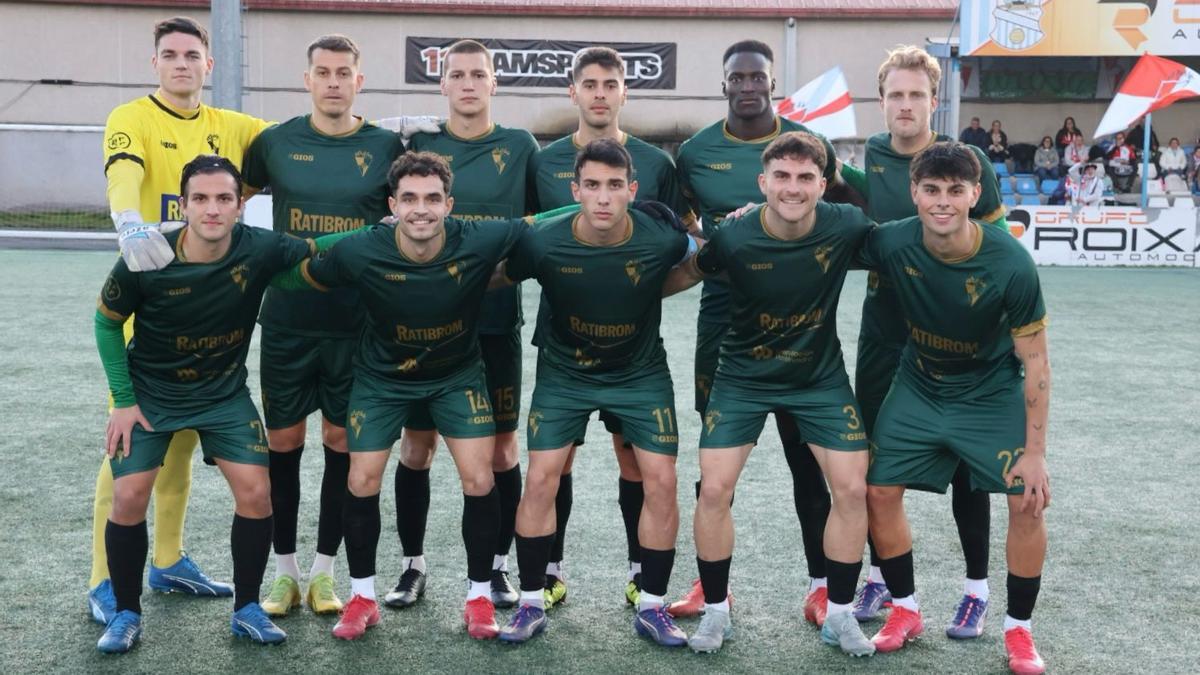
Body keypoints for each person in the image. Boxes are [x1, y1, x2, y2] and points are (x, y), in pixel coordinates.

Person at [272, 151, 539, 642]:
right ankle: (363, 598)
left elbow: (541, 225)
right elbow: (298, 274)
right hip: (381, 379)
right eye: (410, 198)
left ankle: (479, 597)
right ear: (392, 205)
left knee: (480, 477)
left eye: (432, 198)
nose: (421, 209)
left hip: (457, 376)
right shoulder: (360, 249)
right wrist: (237, 262)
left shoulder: (480, 237)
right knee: (361, 477)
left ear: (449, 205)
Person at [92, 155, 337, 653]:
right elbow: (106, 322)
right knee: (129, 497)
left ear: (239, 205)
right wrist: (123, 400)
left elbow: (320, 247)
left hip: (223, 394)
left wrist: (385, 231)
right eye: (200, 199)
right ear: (182, 205)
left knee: (256, 492)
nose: (212, 209)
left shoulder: (259, 247)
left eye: (224, 198)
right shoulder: (148, 254)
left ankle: (246, 609)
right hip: (152, 395)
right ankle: (125, 613)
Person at [90, 15, 275, 625]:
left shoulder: (236, 126)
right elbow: (125, 173)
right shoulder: (131, 117)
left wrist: (387, 131)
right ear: (155, 64)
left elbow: (305, 141)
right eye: (170, 55)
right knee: (127, 449)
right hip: (151, 308)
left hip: (208, 306)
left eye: (192, 55)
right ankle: (103, 581)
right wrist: (128, 222)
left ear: (208, 65)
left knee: (184, 447)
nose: (181, 64)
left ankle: (167, 560)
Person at [664, 132, 875, 656]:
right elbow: (687, 273)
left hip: (818, 379)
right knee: (714, 489)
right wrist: (626, 292)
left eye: (805, 178)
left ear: (822, 185)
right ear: (763, 182)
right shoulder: (734, 235)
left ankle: (840, 615)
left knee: (852, 489)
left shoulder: (846, 224)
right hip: (743, 377)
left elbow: (902, 237)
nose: (793, 188)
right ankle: (716, 611)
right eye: (782, 176)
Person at [668, 38, 844, 624]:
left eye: (757, 77)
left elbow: (842, 204)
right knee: (716, 465)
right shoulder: (696, 151)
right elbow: (683, 218)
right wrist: (712, 238)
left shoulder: (807, 144)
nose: (748, 86)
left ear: (773, 84)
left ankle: (822, 584)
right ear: (724, 85)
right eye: (738, 78)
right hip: (723, 317)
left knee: (805, 459)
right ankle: (709, 584)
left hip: (800, 323)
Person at [860, 142, 1051, 675]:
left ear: (974, 194)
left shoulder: (1010, 261)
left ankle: (1018, 631)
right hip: (919, 384)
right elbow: (821, 237)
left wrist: (1036, 453)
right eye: (931, 190)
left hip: (990, 392)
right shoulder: (893, 241)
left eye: (954, 190)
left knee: (1027, 501)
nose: (942, 201)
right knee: (878, 491)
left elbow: (1036, 362)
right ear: (914, 193)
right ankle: (905, 609)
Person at [495, 139, 694, 646]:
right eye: (592, 186)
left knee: (661, 479)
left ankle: (652, 605)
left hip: (639, 372)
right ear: (575, 191)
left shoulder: (661, 237)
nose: (603, 197)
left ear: (632, 190)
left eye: (614, 185)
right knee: (541, 477)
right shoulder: (542, 242)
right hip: (566, 373)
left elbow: (697, 259)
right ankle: (531, 602)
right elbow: (494, 276)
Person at [837, 45, 1005, 637]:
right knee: (879, 466)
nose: (905, 105)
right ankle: (883, 579)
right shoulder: (873, 157)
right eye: (895, 95)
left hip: (956, 344)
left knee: (967, 471)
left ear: (935, 101)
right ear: (881, 101)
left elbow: (998, 249)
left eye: (916, 95)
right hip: (884, 336)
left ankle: (976, 590)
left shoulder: (965, 163)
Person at [240, 33, 404, 619]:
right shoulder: (274, 142)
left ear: (359, 81)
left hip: (356, 324)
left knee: (341, 442)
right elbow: (230, 203)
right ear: (306, 79)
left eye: (343, 73)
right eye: (323, 72)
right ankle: (284, 572)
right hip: (288, 320)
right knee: (283, 443)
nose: (333, 82)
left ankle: (324, 571)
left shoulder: (386, 145)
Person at [527, 47, 691, 608]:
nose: (600, 94)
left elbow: (672, 244)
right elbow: (529, 235)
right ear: (572, 91)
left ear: (625, 92)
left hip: (632, 343)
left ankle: (641, 571)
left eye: (610, 84)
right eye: (590, 84)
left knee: (633, 457)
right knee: (557, 461)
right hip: (562, 340)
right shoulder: (543, 161)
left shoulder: (656, 164)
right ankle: (548, 571)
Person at [393, 39, 540, 610]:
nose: (469, 84)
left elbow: (541, 221)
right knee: (417, 447)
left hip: (497, 322)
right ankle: (412, 565)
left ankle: (496, 568)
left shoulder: (520, 146)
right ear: (443, 84)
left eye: (479, 74)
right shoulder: (420, 146)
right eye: (458, 75)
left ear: (494, 83)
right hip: (426, 325)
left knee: (501, 452)